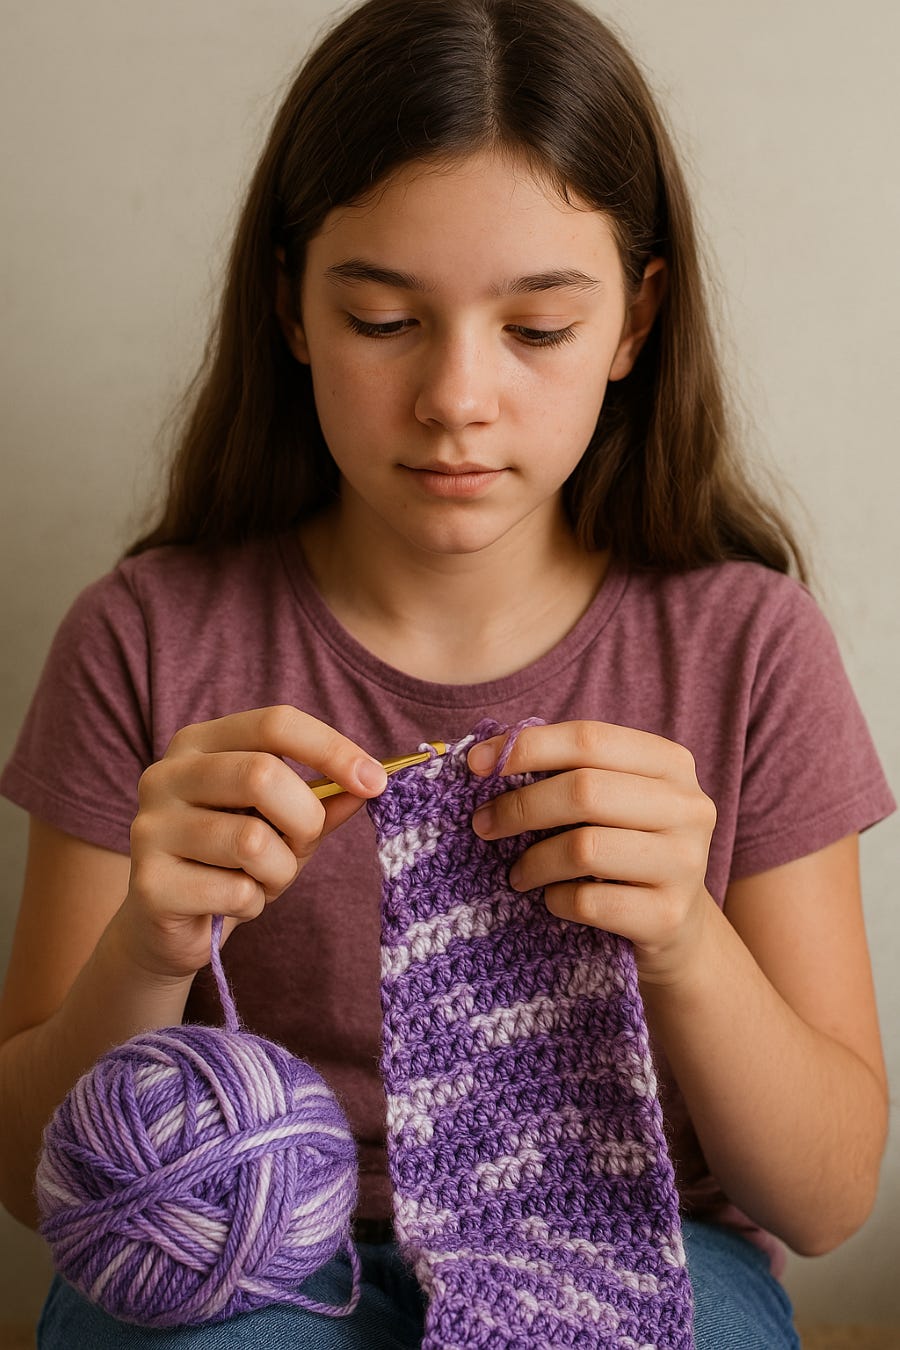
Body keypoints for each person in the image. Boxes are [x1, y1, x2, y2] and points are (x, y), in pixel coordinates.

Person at [0, 0, 893, 1346]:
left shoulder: (747, 643)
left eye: (537, 330)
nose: (458, 397)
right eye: (381, 319)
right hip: (248, 1247)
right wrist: (147, 944)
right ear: (292, 305)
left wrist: (686, 941)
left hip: (640, 1236)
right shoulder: (146, 636)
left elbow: (826, 1199)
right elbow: (28, 1180)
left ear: (636, 320)